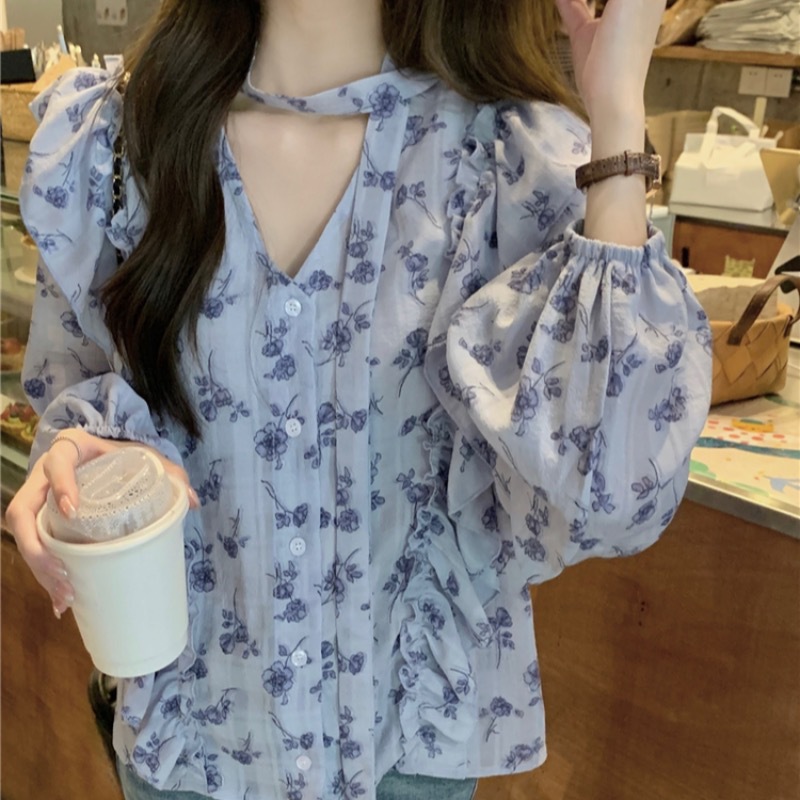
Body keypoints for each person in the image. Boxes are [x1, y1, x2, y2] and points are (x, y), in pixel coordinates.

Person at [6, 0, 712, 798]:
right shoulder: (115, 143)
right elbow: (81, 394)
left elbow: (613, 493)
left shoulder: (506, 164)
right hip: (193, 752)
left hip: (404, 760)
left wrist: (617, 110)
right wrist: (82, 456)